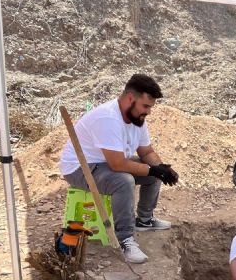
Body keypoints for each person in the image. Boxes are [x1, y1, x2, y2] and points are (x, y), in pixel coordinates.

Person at [59, 74, 179, 264]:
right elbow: (118, 165)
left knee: (154, 170)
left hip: (105, 161)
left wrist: (162, 168)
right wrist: (153, 169)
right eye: (145, 106)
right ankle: (125, 239)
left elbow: (146, 151)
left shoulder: (137, 119)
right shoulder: (109, 118)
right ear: (130, 98)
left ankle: (144, 220)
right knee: (124, 181)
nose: (148, 112)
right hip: (79, 167)